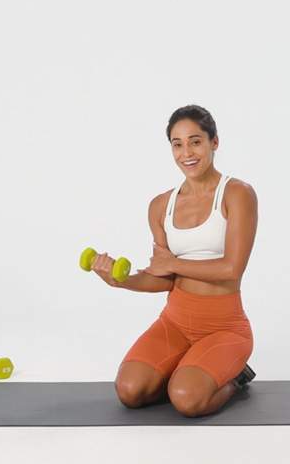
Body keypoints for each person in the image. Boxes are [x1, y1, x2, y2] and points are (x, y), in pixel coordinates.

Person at [90, 104, 258, 417]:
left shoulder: (237, 194)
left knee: (187, 400)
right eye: (177, 144)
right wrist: (120, 279)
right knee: (130, 391)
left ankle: (235, 378)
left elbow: (232, 268)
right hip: (176, 322)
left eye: (195, 141)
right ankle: (186, 367)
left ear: (214, 142)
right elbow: (161, 277)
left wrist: (174, 264)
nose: (186, 153)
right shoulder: (160, 206)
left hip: (225, 328)